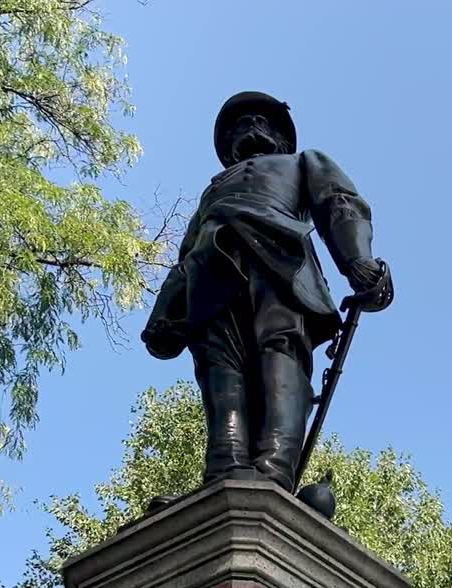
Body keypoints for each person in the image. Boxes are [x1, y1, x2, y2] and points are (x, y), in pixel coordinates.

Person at [142, 91, 392, 513]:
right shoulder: (213, 192)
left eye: (260, 120)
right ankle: (224, 471)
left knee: (280, 355)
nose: (249, 126)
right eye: (239, 124)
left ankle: (274, 468)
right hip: (211, 268)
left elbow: (340, 205)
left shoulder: (302, 163)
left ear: (279, 135)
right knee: (221, 373)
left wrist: (358, 262)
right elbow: (185, 255)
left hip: (280, 262)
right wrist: (166, 312)